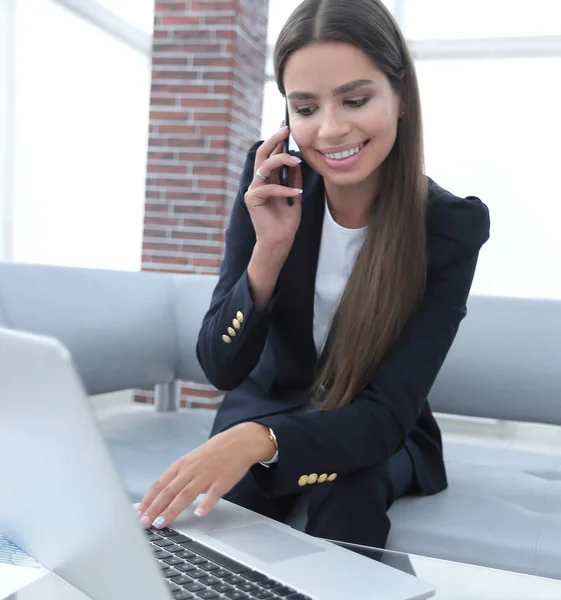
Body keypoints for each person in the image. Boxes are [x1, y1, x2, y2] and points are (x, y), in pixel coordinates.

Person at [137, 0, 490, 548]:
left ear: (400, 95)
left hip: (374, 428)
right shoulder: (271, 180)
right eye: (305, 108)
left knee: (351, 491)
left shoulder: (448, 226)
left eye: (355, 99)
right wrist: (268, 253)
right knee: (221, 517)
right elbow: (220, 366)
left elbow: (385, 415)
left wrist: (257, 439)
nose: (329, 129)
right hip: (264, 404)